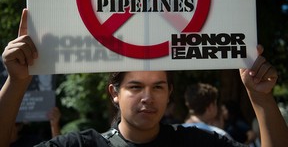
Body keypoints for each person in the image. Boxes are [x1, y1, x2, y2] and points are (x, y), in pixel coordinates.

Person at [0, 9, 288, 147]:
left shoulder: (196, 144)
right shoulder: (82, 146)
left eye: (158, 87)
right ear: (114, 92)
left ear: (169, 92)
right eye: (135, 87)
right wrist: (16, 82)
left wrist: (260, 97)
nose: (147, 97)